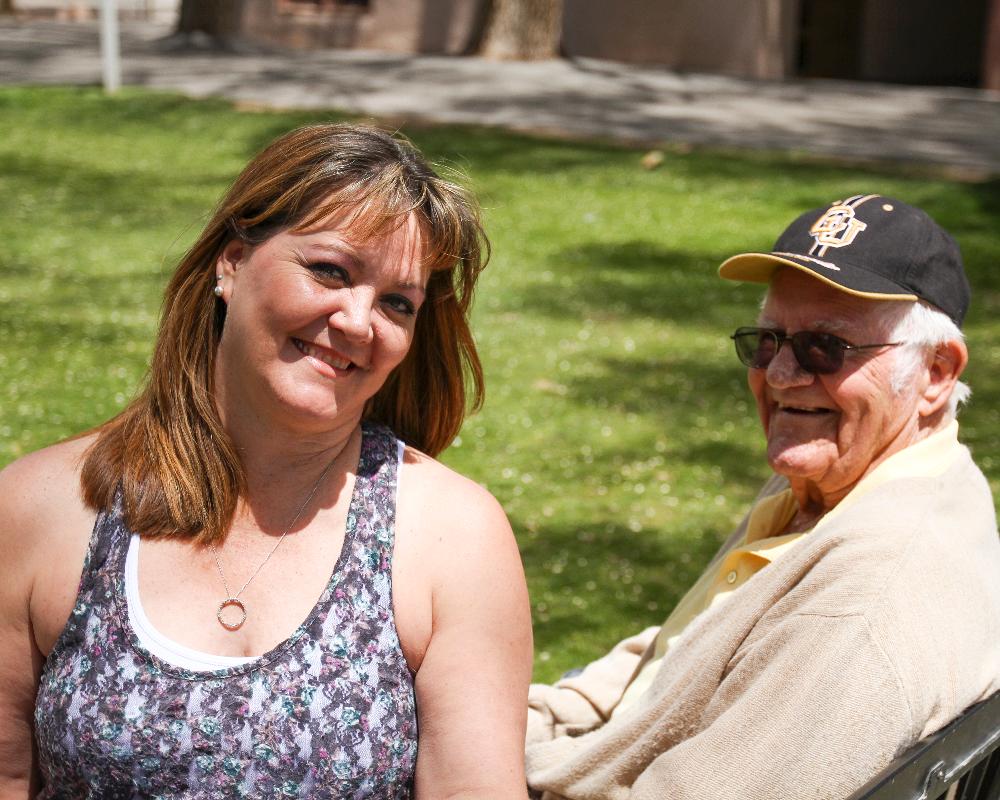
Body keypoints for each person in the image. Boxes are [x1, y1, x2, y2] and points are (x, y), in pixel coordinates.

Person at [0, 123, 532, 798]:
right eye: (330, 271)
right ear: (230, 262)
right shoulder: (45, 505)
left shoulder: (454, 536)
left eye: (398, 303)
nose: (359, 321)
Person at [524, 195, 1000, 799]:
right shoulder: (852, 479)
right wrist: (540, 718)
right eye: (769, 340)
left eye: (826, 347)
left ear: (935, 372)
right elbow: (697, 647)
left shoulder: (864, 609)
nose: (780, 375)